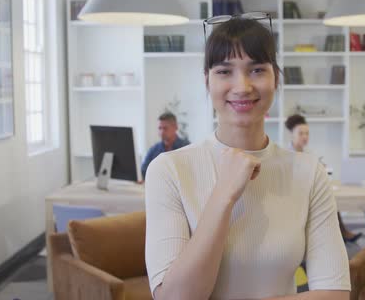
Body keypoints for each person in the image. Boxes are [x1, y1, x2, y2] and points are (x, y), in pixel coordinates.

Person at [145, 15, 350, 300]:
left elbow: (334, 294)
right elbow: (174, 298)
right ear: (207, 80)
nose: (242, 86)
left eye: (256, 70)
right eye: (224, 71)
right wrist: (224, 194)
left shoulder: (308, 171)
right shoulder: (169, 170)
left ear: (276, 78)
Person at [285, 114, 362, 243]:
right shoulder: (287, 154)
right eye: (301, 133)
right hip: (295, 195)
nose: (305, 137)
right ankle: (341, 235)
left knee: (330, 200)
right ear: (291, 134)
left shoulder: (308, 153)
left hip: (308, 191)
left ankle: (340, 235)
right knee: (328, 201)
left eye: (307, 133)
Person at [140, 112, 190, 179]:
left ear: (175, 127)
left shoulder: (187, 148)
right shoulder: (154, 149)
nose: (162, 132)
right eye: (160, 128)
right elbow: (143, 171)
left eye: (165, 128)